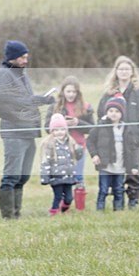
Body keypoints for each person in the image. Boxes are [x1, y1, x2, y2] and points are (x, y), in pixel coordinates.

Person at [0, 40, 54, 219]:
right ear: (12, 57)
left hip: (27, 132)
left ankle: (16, 214)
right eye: (22, 57)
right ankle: (8, 216)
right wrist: (38, 100)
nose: (26, 60)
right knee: (11, 176)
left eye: (26, 57)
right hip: (14, 132)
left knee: (22, 177)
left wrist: (41, 99)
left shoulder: (20, 74)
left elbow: (25, 98)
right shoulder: (3, 75)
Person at [97, 56, 139, 209]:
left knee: (133, 170)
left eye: (127, 69)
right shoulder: (108, 95)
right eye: (121, 69)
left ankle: (133, 200)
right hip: (112, 142)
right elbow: (100, 117)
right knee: (113, 171)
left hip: (132, 141)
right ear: (116, 72)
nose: (124, 72)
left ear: (132, 72)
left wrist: (137, 136)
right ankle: (116, 202)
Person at [45, 76, 95, 210]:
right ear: (63, 92)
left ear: (78, 92)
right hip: (59, 148)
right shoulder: (55, 107)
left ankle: (80, 208)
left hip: (78, 146)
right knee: (61, 178)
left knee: (78, 177)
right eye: (68, 91)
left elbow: (92, 128)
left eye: (74, 92)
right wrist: (61, 125)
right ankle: (63, 205)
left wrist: (77, 123)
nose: (71, 94)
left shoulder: (85, 107)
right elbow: (46, 128)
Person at [87, 95, 139, 211]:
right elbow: (90, 140)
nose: (113, 114)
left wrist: (134, 166)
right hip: (105, 166)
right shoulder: (101, 126)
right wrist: (94, 155)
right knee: (103, 189)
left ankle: (118, 210)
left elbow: (132, 149)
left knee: (119, 189)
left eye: (117, 111)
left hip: (120, 167)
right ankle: (100, 210)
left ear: (122, 114)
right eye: (111, 111)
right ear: (107, 112)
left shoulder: (126, 129)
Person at [40, 114, 84, 215]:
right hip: (56, 177)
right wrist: (45, 177)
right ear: (52, 131)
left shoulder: (71, 142)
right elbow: (45, 162)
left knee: (69, 197)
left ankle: (64, 209)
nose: (59, 132)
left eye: (62, 129)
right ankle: (54, 212)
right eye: (56, 130)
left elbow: (77, 158)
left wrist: (79, 152)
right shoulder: (49, 145)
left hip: (68, 176)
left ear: (66, 130)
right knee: (58, 196)